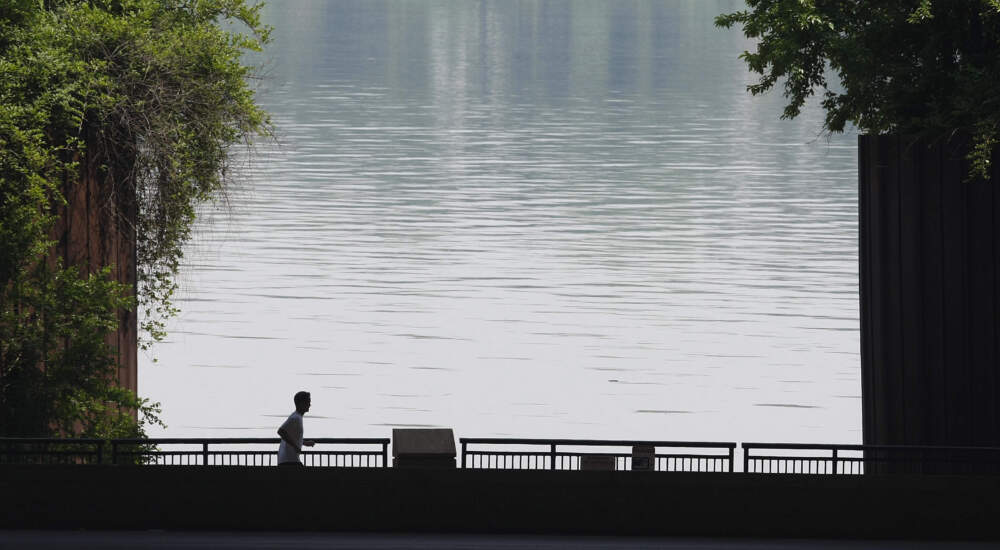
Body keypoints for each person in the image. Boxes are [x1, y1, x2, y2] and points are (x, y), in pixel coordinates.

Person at [277, 391, 314, 466]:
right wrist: (295, 446)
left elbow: (293, 436)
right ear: (301, 404)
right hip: (289, 460)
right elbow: (280, 431)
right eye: (308, 402)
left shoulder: (297, 417)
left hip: (288, 460)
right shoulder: (295, 418)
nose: (310, 405)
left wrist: (305, 443)